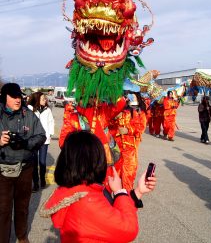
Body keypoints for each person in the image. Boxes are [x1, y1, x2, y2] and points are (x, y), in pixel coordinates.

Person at [40, 130, 157, 243]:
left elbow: (111, 214)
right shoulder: (86, 200)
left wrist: (137, 192)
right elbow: (129, 229)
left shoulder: (77, 189)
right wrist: (119, 192)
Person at [0, 83, 46, 243]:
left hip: (25, 168)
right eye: (13, 96)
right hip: (3, 170)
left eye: (19, 96)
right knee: (3, 209)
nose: (17, 99)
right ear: (4, 97)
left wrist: (25, 143)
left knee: (22, 207)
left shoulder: (29, 114)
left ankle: (22, 236)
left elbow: (41, 135)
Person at [109, 92, 147, 191]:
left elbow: (141, 128)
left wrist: (128, 130)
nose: (131, 98)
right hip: (116, 147)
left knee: (128, 173)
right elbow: (109, 125)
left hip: (130, 148)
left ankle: (127, 197)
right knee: (113, 173)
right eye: (129, 96)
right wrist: (114, 117)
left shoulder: (140, 112)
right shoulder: (119, 109)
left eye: (133, 96)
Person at [27, 92, 54, 192]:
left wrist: (50, 134)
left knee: (42, 162)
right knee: (34, 162)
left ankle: (43, 180)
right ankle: (36, 184)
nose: (45, 100)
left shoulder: (47, 110)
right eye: (43, 98)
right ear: (37, 99)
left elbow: (51, 122)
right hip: (34, 140)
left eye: (45, 98)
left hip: (44, 140)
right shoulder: (30, 109)